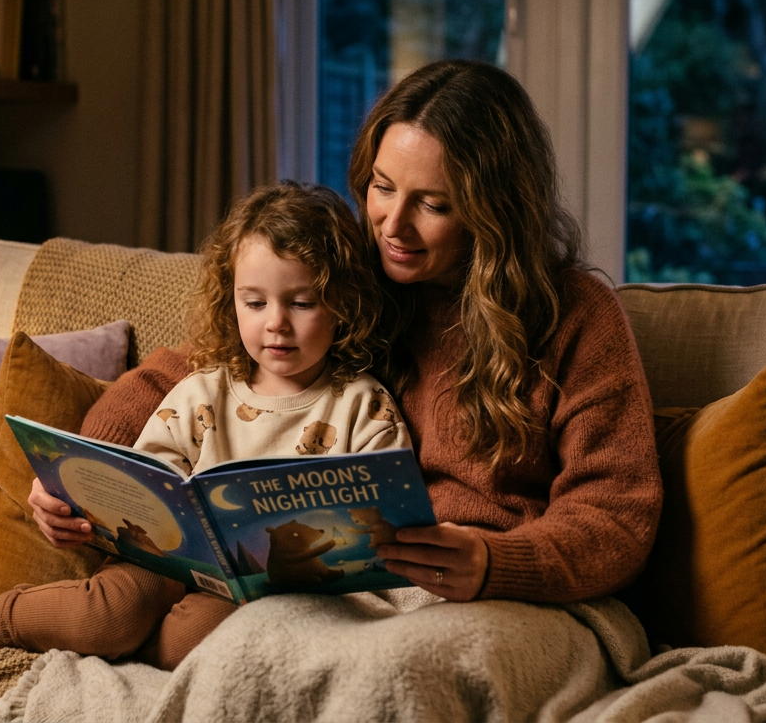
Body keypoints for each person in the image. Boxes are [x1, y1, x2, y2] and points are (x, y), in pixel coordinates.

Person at [35, 59, 662, 611]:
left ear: (494, 209)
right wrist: (83, 480)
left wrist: (497, 563)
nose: (393, 223)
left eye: (433, 205)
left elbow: (618, 516)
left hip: (510, 595)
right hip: (350, 590)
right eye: (381, 188)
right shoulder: (352, 277)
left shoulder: (575, 313)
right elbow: (182, 372)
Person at [0, 181, 413, 670]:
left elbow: (385, 525)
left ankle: (127, 643)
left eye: (301, 303)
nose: (276, 322)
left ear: (344, 306)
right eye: (255, 302)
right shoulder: (204, 390)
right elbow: (149, 477)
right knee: (104, 615)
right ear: (231, 302)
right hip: (169, 564)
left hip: (278, 596)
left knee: (191, 639)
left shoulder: (363, 407)